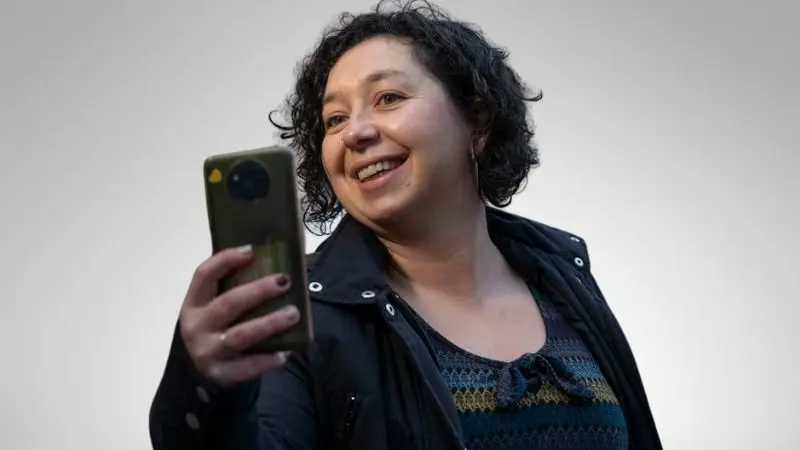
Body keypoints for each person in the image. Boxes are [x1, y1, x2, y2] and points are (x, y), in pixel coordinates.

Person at [148, 1, 662, 449]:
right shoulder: (299, 314)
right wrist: (207, 390)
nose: (355, 133)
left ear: (478, 121)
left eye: (388, 98)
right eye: (334, 119)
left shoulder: (564, 277)